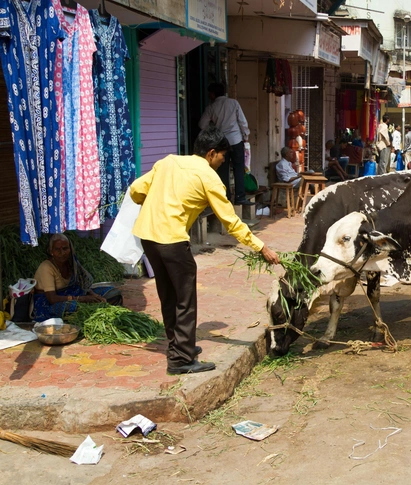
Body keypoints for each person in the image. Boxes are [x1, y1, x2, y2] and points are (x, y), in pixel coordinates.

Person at [129, 127, 280, 374]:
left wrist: (151, 200)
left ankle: (178, 345)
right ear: (211, 153)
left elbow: (136, 189)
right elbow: (231, 221)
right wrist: (261, 246)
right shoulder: (209, 178)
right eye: (222, 157)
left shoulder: (168, 162)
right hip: (172, 240)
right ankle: (181, 359)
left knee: (168, 294)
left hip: (147, 236)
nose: (222, 162)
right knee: (185, 299)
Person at [32, 234, 121, 321]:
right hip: (49, 303)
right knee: (75, 308)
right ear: (51, 251)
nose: (62, 253)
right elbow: (52, 299)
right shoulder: (46, 267)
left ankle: (103, 314)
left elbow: (81, 284)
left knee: (113, 293)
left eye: (65, 248)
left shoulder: (72, 263)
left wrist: (93, 295)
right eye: (57, 249)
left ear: (70, 249)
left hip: (74, 294)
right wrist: (82, 299)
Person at [198, 83, 251, 206]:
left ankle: (225, 198)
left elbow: (202, 125)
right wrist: (245, 136)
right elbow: (242, 121)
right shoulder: (233, 103)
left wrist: (214, 127)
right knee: (239, 169)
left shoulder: (211, 107)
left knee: (223, 170)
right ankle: (240, 197)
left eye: (210, 93)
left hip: (221, 143)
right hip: (236, 140)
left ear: (213, 94)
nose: (209, 95)